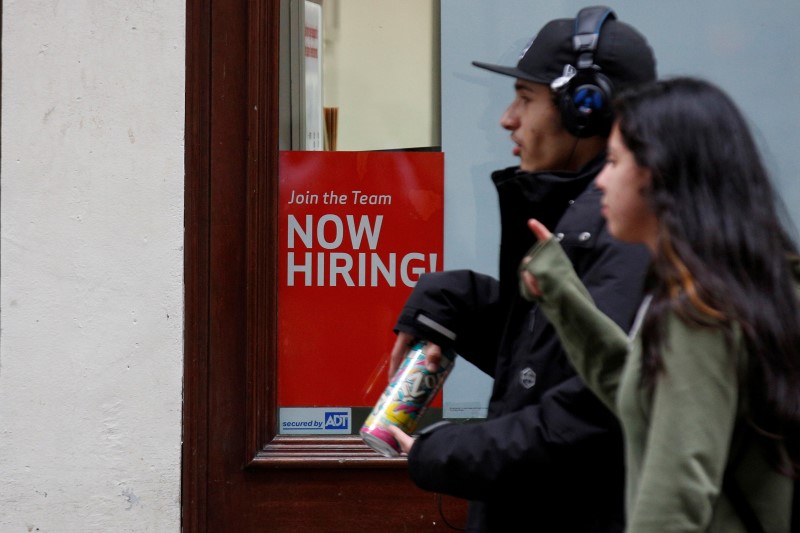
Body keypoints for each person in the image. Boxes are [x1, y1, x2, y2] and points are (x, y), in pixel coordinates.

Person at [384, 6, 657, 532]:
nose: (508, 118)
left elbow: (582, 423)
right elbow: (546, 357)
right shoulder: (581, 217)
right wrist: (451, 302)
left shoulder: (627, 235)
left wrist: (438, 450)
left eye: (526, 99)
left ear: (587, 111)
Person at [520, 76, 800, 532]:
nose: (602, 182)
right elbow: (648, 395)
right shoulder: (755, 293)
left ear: (659, 172)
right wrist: (561, 295)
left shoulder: (699, 312)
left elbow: (674, 500)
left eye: (613, 161)